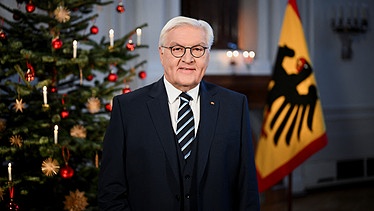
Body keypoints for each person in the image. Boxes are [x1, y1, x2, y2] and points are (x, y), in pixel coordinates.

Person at [98, 16, 260, 211]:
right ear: (162, 54)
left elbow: (247, 189)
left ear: (207, 55)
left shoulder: (234, 106)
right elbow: (111, 192)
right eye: (177, 49)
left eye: (198, 49)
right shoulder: (128, 109)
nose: (188, 58)